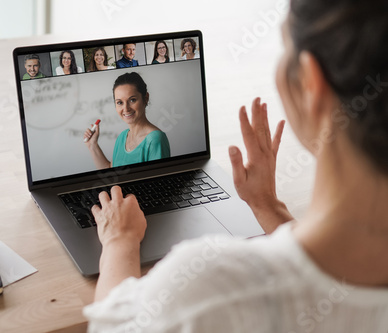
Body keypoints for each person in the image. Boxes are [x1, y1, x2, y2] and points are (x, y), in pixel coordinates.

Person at [83, 0, 388, 332]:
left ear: (311, 85)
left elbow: (112, 327)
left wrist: (119, 242)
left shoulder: (210, 293)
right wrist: (269, 206)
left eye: (284, 47)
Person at [83, 72, 170, 169]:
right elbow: (111, 173)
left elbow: (156, 182)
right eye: (119, 102)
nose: (126, 108)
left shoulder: (155, 139)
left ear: (145, 98)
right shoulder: (122, 137)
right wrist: (92, 145)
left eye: (132, 100)